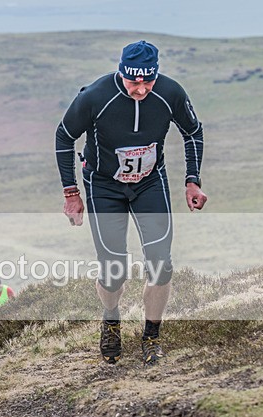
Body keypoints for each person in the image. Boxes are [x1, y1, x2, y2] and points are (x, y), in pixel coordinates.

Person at [55, 40, 207, 366]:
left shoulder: (170, 93)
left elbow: (193, 131)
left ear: (156, 74)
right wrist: (71, 193)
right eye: (132, 81)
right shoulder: (95, 96)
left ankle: (152, 336)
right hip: (104, 185)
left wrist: (192, 180)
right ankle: (111, 318)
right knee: (114, 270)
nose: (140, 89)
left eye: (147, 81)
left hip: (150, 182)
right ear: (121, 71)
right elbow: (64, 135)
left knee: (161, 263)